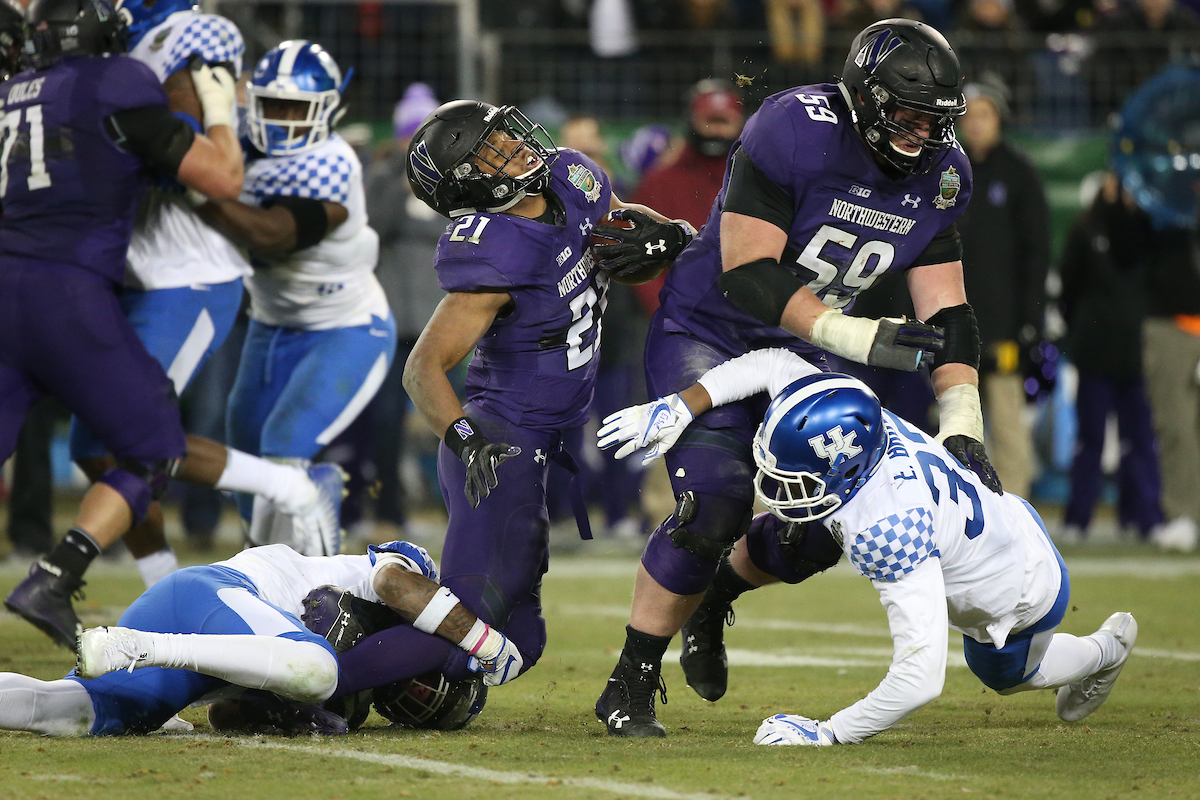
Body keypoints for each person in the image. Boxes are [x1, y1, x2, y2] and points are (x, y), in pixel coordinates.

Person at [593, 18, 1002, 738]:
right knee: (714, 505)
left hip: (809, 341)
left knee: (826, 525)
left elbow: (948, 310)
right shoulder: (796, 128)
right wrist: (855, 336)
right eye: (907, 116)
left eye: (934, 120)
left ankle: (716, 595)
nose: (921, 135)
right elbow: (748, 272)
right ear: (865, 100)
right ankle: (631, 676)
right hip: (712, 329)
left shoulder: (944, 174)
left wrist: (962, 419)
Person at [323, 99, 696, 699]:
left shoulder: (572, 176)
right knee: (476, 623)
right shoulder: (494, 247)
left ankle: (360, 643)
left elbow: (622, 235)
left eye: (505, 134)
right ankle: (311, 680)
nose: (516, 146)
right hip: (501, 441)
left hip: (542, 438)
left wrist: (667, 237)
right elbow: (422, 369)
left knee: (523, 639)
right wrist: (466, 440)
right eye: (492, 150)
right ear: (469, 183)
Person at [1, 0, 342, 651]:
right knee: (122, 446)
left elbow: (211, 162)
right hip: (88, 286)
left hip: (170, 277)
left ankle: (285, 499)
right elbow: (194, 152)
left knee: (121, 444)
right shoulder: (115, 76)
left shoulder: (181, 37)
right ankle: (134, 583)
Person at [601, 349, 1138, 744]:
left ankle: (1104, 650)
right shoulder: (848, 410)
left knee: (1003, 673)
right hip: (1005, 520)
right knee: (804, 534)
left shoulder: (890, 528)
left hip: (1024, 591)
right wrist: (682, 404)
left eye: (795, 479)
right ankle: (717, 597)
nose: (776, 487)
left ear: (843, 470)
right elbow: (771, 363)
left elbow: (920, 678)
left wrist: (829, 732)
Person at [65, 0, 249, 586]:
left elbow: (210, 151)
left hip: (188, 279)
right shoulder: (110, 40)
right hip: (133, 278)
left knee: (134, 437)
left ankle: (291, 487)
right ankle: (161, 586)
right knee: (91, 446)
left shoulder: (196, 32)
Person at [0, 538, 521, 736]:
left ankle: (139, 650)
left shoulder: (356, 694)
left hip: (198, 633)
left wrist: (285, 718)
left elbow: (226, 714)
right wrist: (481, 642)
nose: (417, 692)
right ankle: (141, 647)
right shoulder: (401, 572)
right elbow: (393, 585)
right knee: (319, 669)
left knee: (69, 710)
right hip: (216, 592)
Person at [195, 40, 396, 550]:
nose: (284, 120)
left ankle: (312, 578)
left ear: (326, 110)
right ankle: (266, 565)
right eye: (274, 106)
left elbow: (273, 234)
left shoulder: (331, 163)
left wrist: (194, 189)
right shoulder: (238, 138)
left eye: (296, 108)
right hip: (269, 327)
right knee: (248, 465)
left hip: (344, 327)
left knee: (284, 446)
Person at [956, 75, 1051, 500]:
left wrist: (1029, 319)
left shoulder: (1018, 173)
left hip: (1002, 324)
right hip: (952, 323)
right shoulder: (945, 169)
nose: (976, 123)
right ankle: (957, 509)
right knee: (953, 421)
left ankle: (1017, 510)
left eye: (985, 114)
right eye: (969, 115)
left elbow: (1037, 252)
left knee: (1008, 422)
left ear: (1000, 119)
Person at [358, 81, 445, 535]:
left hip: (440, 322)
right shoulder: (381, 176)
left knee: (451, 415)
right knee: (387, 421)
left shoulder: (452, 178)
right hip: (391, 320)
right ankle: (389, 511)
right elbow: (373, 228)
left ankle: (456, 510)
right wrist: (400, 179)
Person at [1059, 173, 1163, 543]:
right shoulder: (1086, 228)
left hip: (1138, 353)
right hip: (1096, 353)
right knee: (1091, 440)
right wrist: (1081, 332)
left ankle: (1145, 519)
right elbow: (1068, 287)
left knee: (1141, 440)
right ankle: (1078, 519)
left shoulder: (1151, 230)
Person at [630, 78, 746, 317]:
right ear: (691, 121)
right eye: (709, 121)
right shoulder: (659, 182)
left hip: (746, 317)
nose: (715, 130)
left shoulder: (758, 178)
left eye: (723, 121)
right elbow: (640, 259)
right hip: (674, 315)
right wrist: (671, 315)